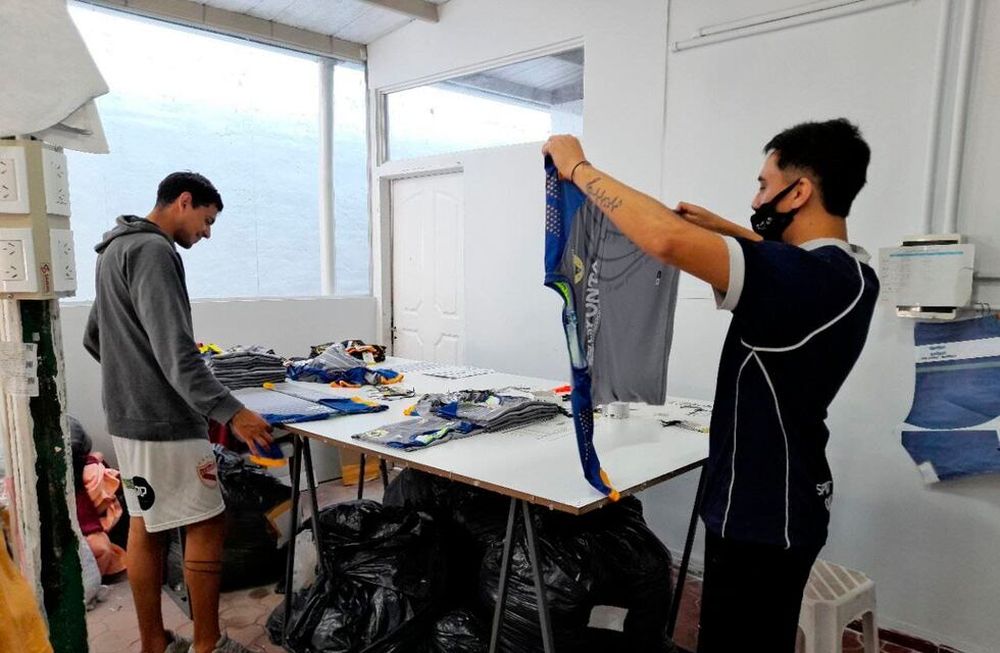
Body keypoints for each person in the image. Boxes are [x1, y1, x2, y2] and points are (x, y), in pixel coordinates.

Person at [543, 118, 878, 653]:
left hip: (759, 513)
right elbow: (784, 264)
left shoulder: (797, 280)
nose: (756, 198)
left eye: (765, 186)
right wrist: (728, 230)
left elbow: (668, 241)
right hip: (794, 497)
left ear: (800, 192)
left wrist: (576, 166)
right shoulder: (853, 273)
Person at [84, 172, 274, 653]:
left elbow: (94, 337)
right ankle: (207, 645)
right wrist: (232, 413)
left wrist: (133, 374)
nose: (206, 233)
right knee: (207, 522)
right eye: (206, 221)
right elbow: (177, 353)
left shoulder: (113, 251)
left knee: (145, 524)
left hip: (127, 418)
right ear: (183, 202)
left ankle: (153, 642)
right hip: (165, 422)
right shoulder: (153, 251)